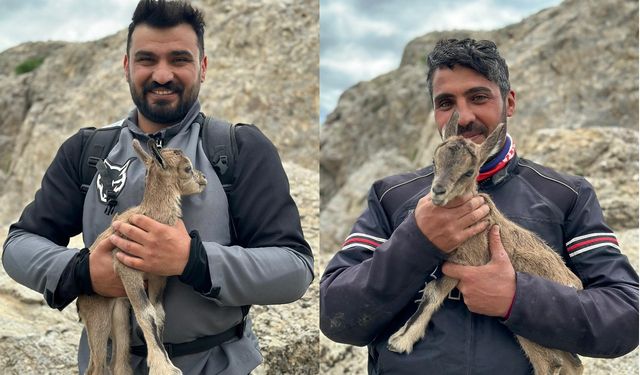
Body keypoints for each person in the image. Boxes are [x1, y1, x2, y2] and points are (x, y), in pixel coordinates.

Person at [2, 1, 313, 374]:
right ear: (127, 66)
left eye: (179, 59)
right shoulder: (86, 151)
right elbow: (19, 245)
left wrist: (191, 259)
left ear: (203, 66)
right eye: (147, 59)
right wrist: (83, 272)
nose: (162, 75)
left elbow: (294, 270)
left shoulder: (239, 149)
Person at [319, 38, 638, 374]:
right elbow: (335, 316)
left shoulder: (566, 195)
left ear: (509, 102)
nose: (465, 115)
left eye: (478, 97)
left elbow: (625, 316)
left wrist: (518, 298)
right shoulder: (391, 195)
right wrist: (417, 240)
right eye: (446, 102)